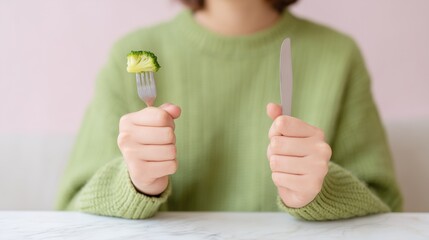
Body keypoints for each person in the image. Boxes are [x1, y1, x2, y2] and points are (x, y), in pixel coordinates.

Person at [56, 0, 402, 220]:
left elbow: (386, 206)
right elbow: (71, 209)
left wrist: (319, 192)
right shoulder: (131, 54)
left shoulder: (338, 56)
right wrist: (136, 183)